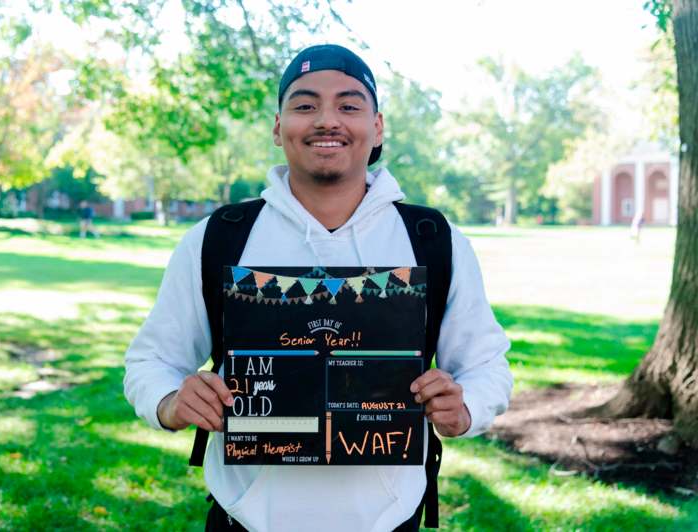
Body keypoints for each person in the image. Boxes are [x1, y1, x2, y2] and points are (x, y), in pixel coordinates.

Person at [124, 44, 512, 532]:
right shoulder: (220, 237)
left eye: (349, 105)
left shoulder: (433, 240)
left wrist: (466, 407)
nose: (327, 120)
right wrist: (170, 401)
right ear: (277, 128)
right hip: (247, 518)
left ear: (377, 128)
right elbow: (150, 361)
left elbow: (485, 365)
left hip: (389, 520)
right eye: (305, 105)